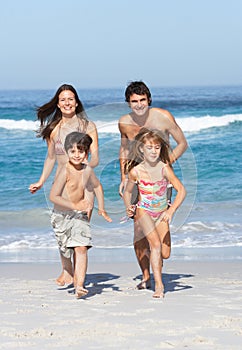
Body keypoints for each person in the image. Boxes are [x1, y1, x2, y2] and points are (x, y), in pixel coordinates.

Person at [118, 81, 187, 289]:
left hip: (160, 181)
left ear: (148, 99)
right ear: (128, 103)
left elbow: (182, 144)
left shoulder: (163, 117)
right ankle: (147, 276)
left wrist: (165, 163)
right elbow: (124, 150)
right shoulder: (124, 122)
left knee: (163, 248)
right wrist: (123, 177)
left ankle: (157, 255)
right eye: (134, 101)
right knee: (138, 230)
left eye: (142, 100)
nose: (138, 105)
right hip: (136, 177)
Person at [29, 84, 99, 286]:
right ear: (58, 105)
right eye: (63, 100)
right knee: (62, 234)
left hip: (84, 186)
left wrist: (83, 163)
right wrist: (41, 181)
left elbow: (95, 158)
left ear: (76, 102)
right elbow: (50, 158)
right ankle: (67, 270)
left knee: (80, 236)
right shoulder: (54, 130)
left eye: (71, 99)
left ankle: (79, 280)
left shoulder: (88, 126)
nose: (67, 103)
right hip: (61, 187)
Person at [123, 128, 186, 297]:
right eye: (149, 147)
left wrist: (171, 210)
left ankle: (153, 257)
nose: (153, 151)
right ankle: (159, 285)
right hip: (144, 211)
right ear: (141, 149)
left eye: (157, 147)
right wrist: (129, 206)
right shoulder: (136, 171)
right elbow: (128, 191)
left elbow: (182, 190)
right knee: (156, 245)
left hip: (162, 212)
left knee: (165, 253)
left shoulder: (165, 169)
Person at [49, 131, 112, 298]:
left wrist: (101, 208)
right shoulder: (65, 171)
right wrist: (74, 204)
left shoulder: (87, 170)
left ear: (87, 153)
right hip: (62, 216)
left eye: (81, 151)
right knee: (65, 249)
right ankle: (68, 272)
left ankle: (79, 285)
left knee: (81, 247)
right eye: (73, 151)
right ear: (67, 152)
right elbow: (53, 196)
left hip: (79, 215)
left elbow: (97, 187)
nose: (77, 155)